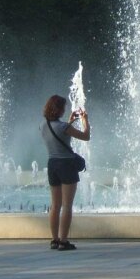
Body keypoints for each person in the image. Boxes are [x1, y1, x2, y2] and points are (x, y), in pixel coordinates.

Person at [40, 95, 90, 251]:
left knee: (55, 205)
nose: (64, 109)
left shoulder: (43, 125)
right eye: (63, 107)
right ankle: (64, 241)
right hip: (66, 165)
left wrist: (69, 121)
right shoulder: (63, 127)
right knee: (67, 205)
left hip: (52, 165)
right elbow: (86, 136)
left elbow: (60, 133)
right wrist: (84, 120)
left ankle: (54, 240)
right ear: (58, 109)